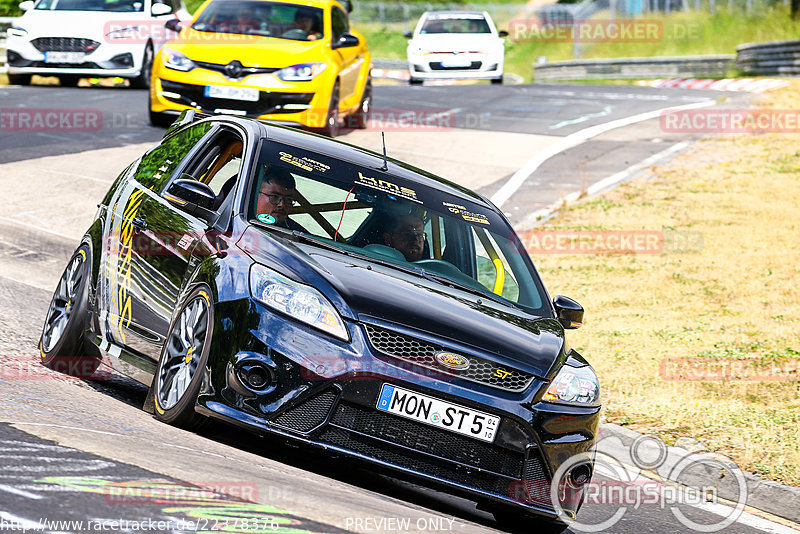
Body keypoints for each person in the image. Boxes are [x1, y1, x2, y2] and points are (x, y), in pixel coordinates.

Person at [255, 167, 305, 231]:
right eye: (274, 197)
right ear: (256, 195)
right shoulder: (240, 219)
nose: (282, 205)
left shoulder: (297, 234)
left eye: (288, 199)